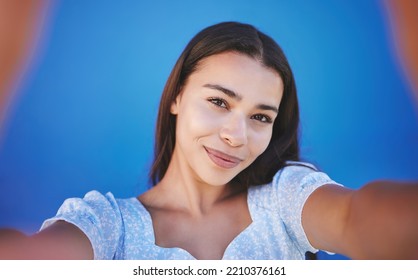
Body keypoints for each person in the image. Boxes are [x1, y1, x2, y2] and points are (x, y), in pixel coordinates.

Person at [0, 21, 417, 260]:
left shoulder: (284, 201)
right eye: (219, 101)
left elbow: (355, 218)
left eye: (259, 117)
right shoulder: (108, 227)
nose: (236, 136)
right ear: (177, 96)